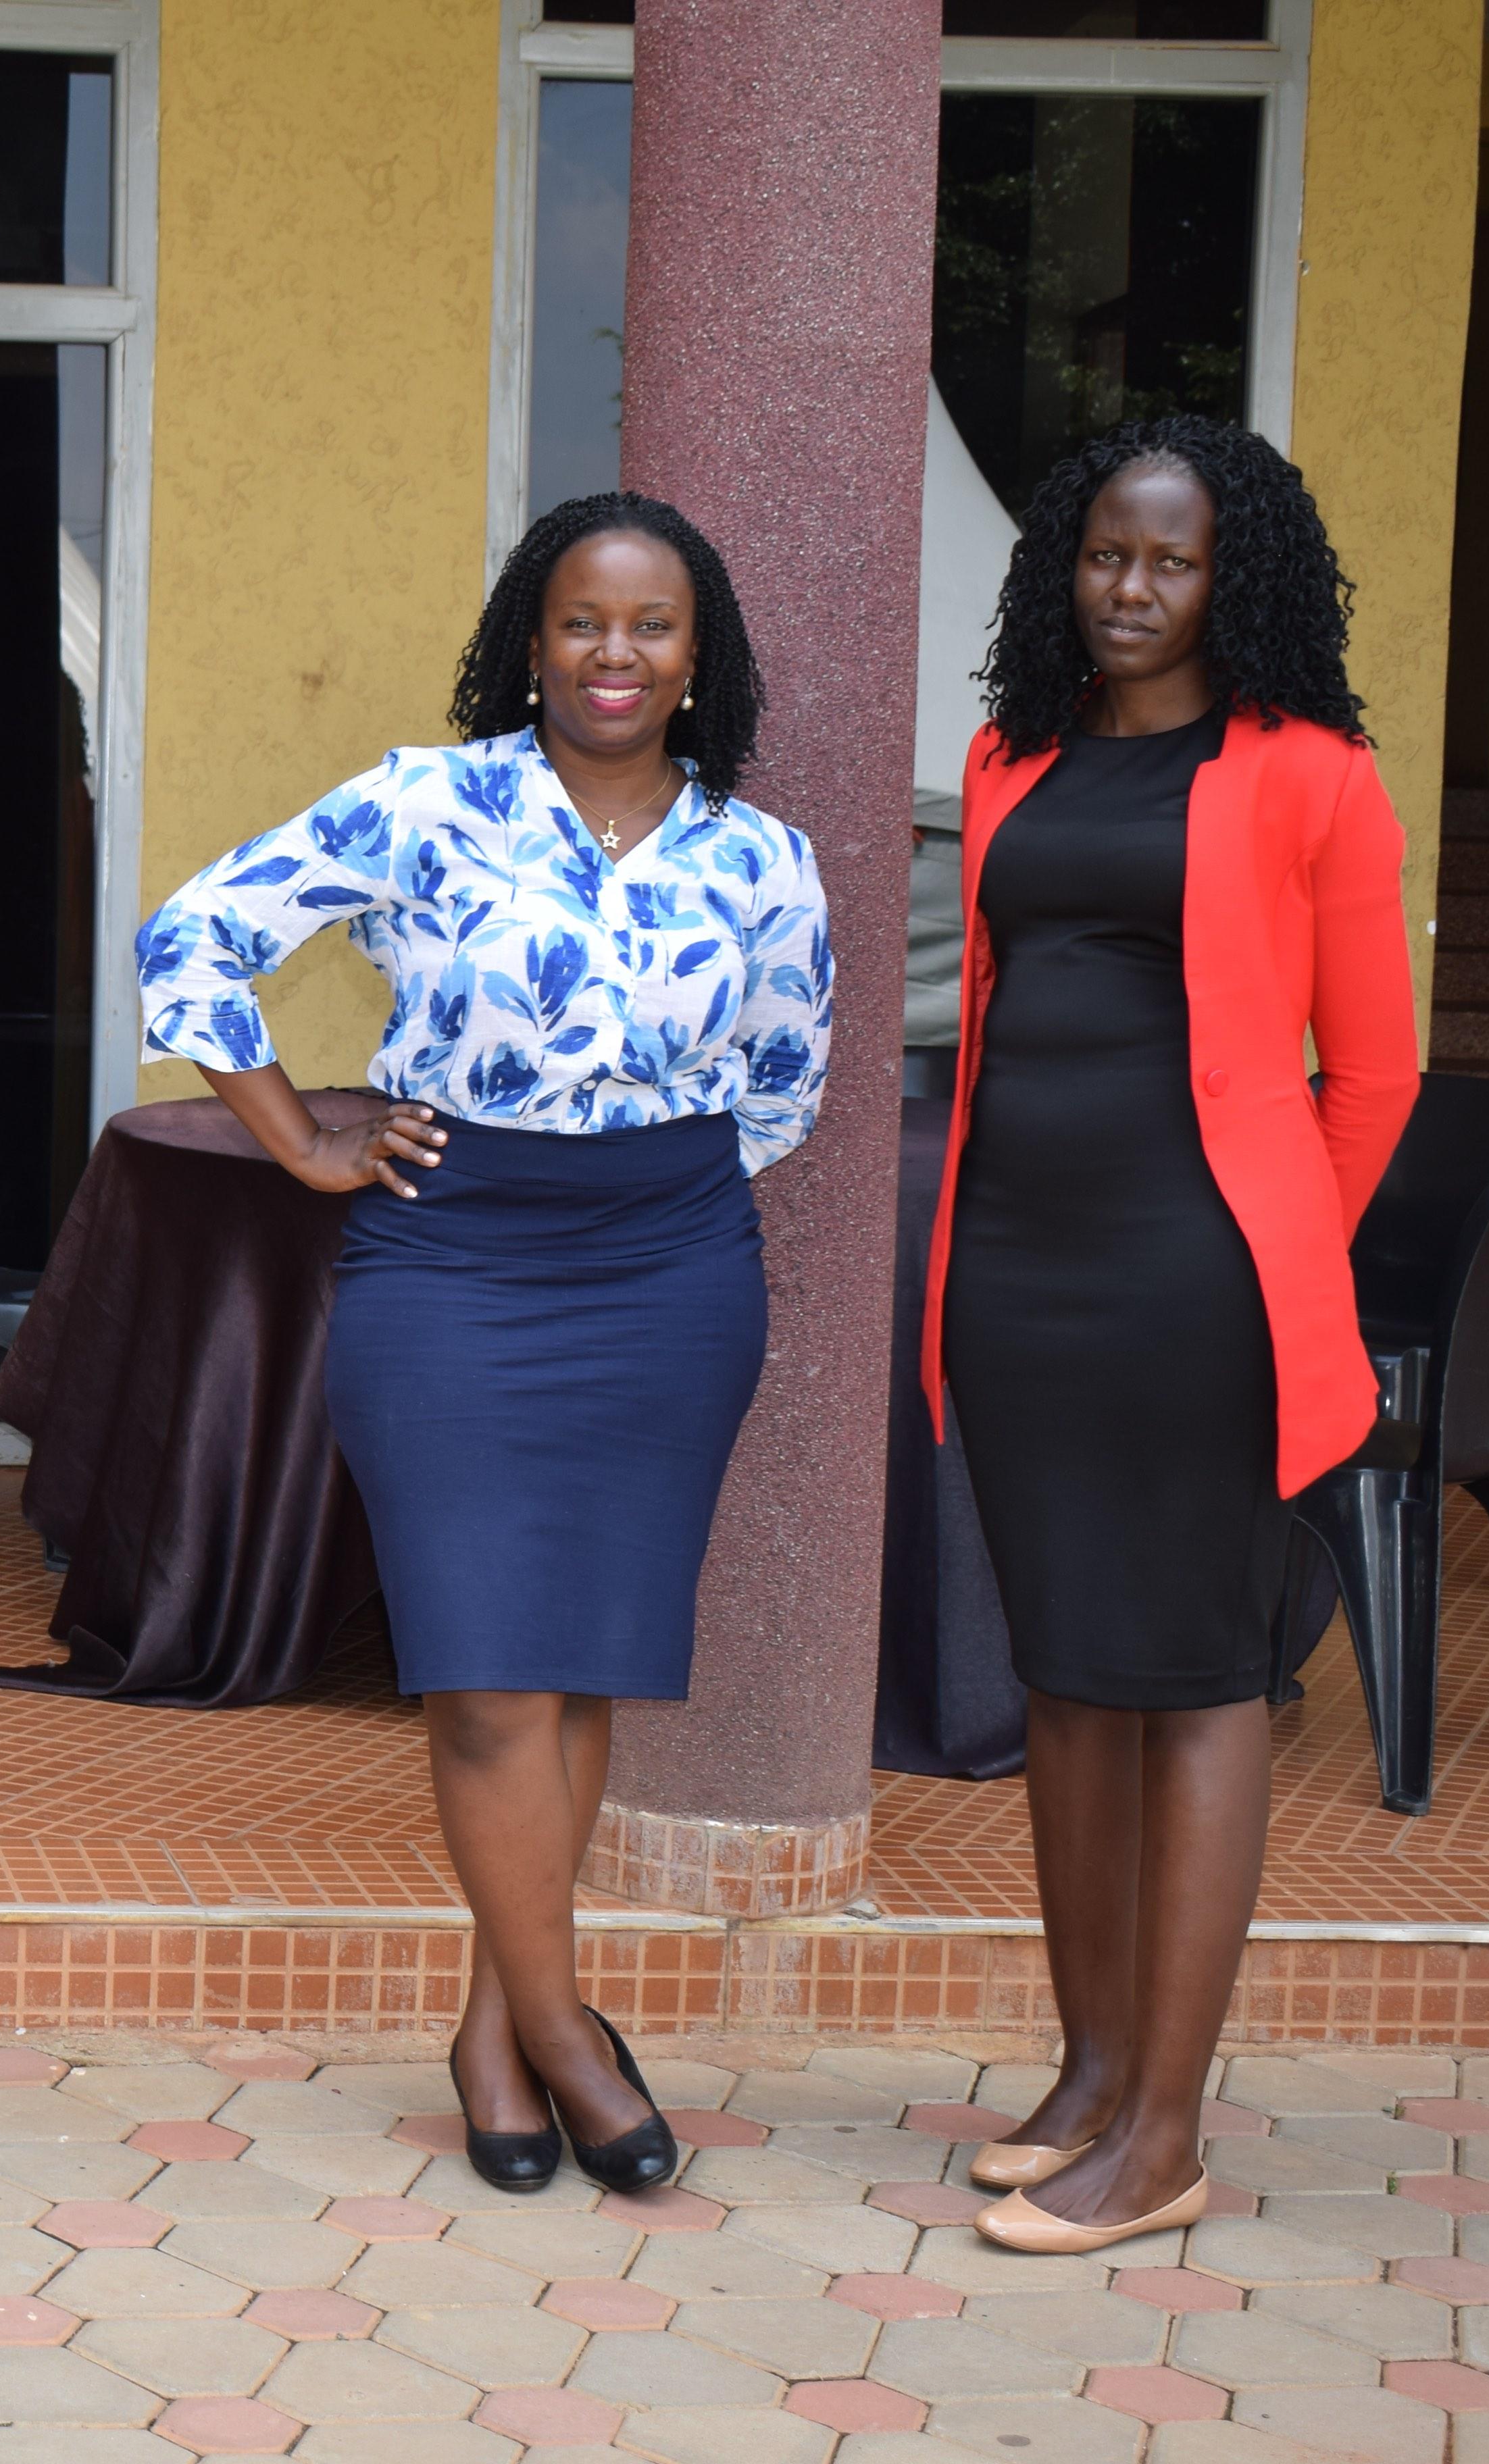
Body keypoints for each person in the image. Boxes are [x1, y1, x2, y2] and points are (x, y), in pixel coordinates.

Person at [138, 490, 830, 2197]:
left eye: (650, 626)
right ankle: (574, 2033)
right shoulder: (425, 800)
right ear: (532, 638)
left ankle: (489, 2030)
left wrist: (633, 1172)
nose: (614, 653)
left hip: (669, 1273)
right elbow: (193, 938)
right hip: (453, 1262)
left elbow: (787, 1083)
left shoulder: (761, 855)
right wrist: (299, 1133)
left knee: (577, 1660)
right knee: (483, 1672)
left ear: (698, 657)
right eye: (580, 621)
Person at [926, 416, 1415, 2257]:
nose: (1130, 591)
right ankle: (1090, 2072)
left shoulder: (1313, 776)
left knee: (1203, 1680)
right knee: (1065, 1673)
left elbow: (1373, 1075)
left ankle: (1170, 2135)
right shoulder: (1011, 754)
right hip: (1022, 1271)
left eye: (1172, 561)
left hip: (1197, 1287)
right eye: (1107, 556)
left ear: (1237, 578)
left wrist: (1272, 1250)